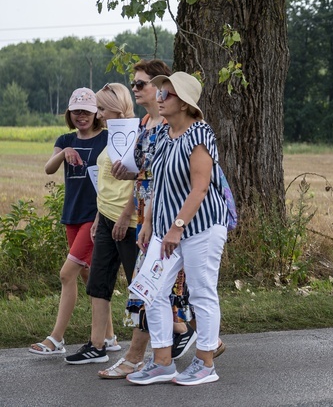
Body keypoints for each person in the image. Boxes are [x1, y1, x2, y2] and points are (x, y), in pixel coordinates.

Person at [97, 60, 211, 379]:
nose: (136, 89)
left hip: (179, 222)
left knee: (148, 290)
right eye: (134, 84)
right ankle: (204, 341)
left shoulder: (178, 127)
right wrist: (130, 181)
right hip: (152, 219)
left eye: (141, 84)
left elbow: (192, 180)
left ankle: (138, 357)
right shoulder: (146, 122)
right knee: (158, 291)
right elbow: (146, 176)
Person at [126, 71, 228, 385]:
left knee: (201, 293)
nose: (159, 97)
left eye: (166, 94)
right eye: (159, 92)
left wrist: (177, 228)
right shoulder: (163, 135)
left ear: (184, 103)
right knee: (153, 292)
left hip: (200, 227)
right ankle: (162, 361)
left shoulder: (199, 133)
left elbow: (199, 188)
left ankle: (205, 363)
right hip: (164, 229)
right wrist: (149, 223)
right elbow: (160, 184)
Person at [29, 88, 116, 356]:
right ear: (70, 113)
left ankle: (56, 339)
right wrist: (64, 151)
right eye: (76, 111)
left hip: (95, 217)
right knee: (92, 277)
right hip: (72, 216)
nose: (82, 116)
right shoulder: (65, 139)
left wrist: (102, 218)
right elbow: (49, 168)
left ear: (96, 114)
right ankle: (110, 337)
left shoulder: (106, 138)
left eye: (87, 111)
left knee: (67, 274)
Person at [64, 83, 139, 364]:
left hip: (127, 221)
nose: (100, 114)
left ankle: (178, 330)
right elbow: (106, 181)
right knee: (99, 282)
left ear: (117, 108)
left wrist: (123, 215)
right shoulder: (113, 136)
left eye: (103, 109)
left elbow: (144, 180)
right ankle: (97, 345)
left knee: (139, 284)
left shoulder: (133, 135)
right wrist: (99, 217)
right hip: (105, 217)